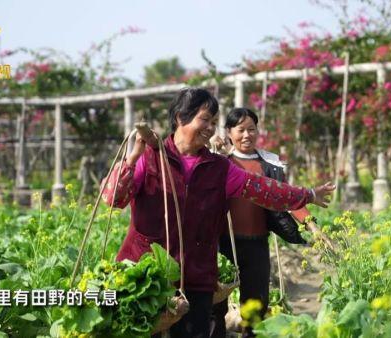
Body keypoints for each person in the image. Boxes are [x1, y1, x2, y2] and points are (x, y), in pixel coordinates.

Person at [100, 88, 335, 338]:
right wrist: (132, 158)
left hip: (196, 275)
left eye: (214, 122)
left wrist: (307, 194)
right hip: (146, 274)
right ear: (181, 117)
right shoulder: (149, 158)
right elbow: (113, 199)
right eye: (205, 119)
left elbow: (263, 189)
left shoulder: (220, 167)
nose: (210, 128)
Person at [210, 108, 331, 337]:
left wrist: (311, 225)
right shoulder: (219, 162)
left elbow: (286, 197)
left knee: (256, 303)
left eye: (252, 129)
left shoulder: (269, 164)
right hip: (223, 244)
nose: (247, 135)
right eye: (241, 130)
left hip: (256, 244)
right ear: (228, 132)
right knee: (216, 304)